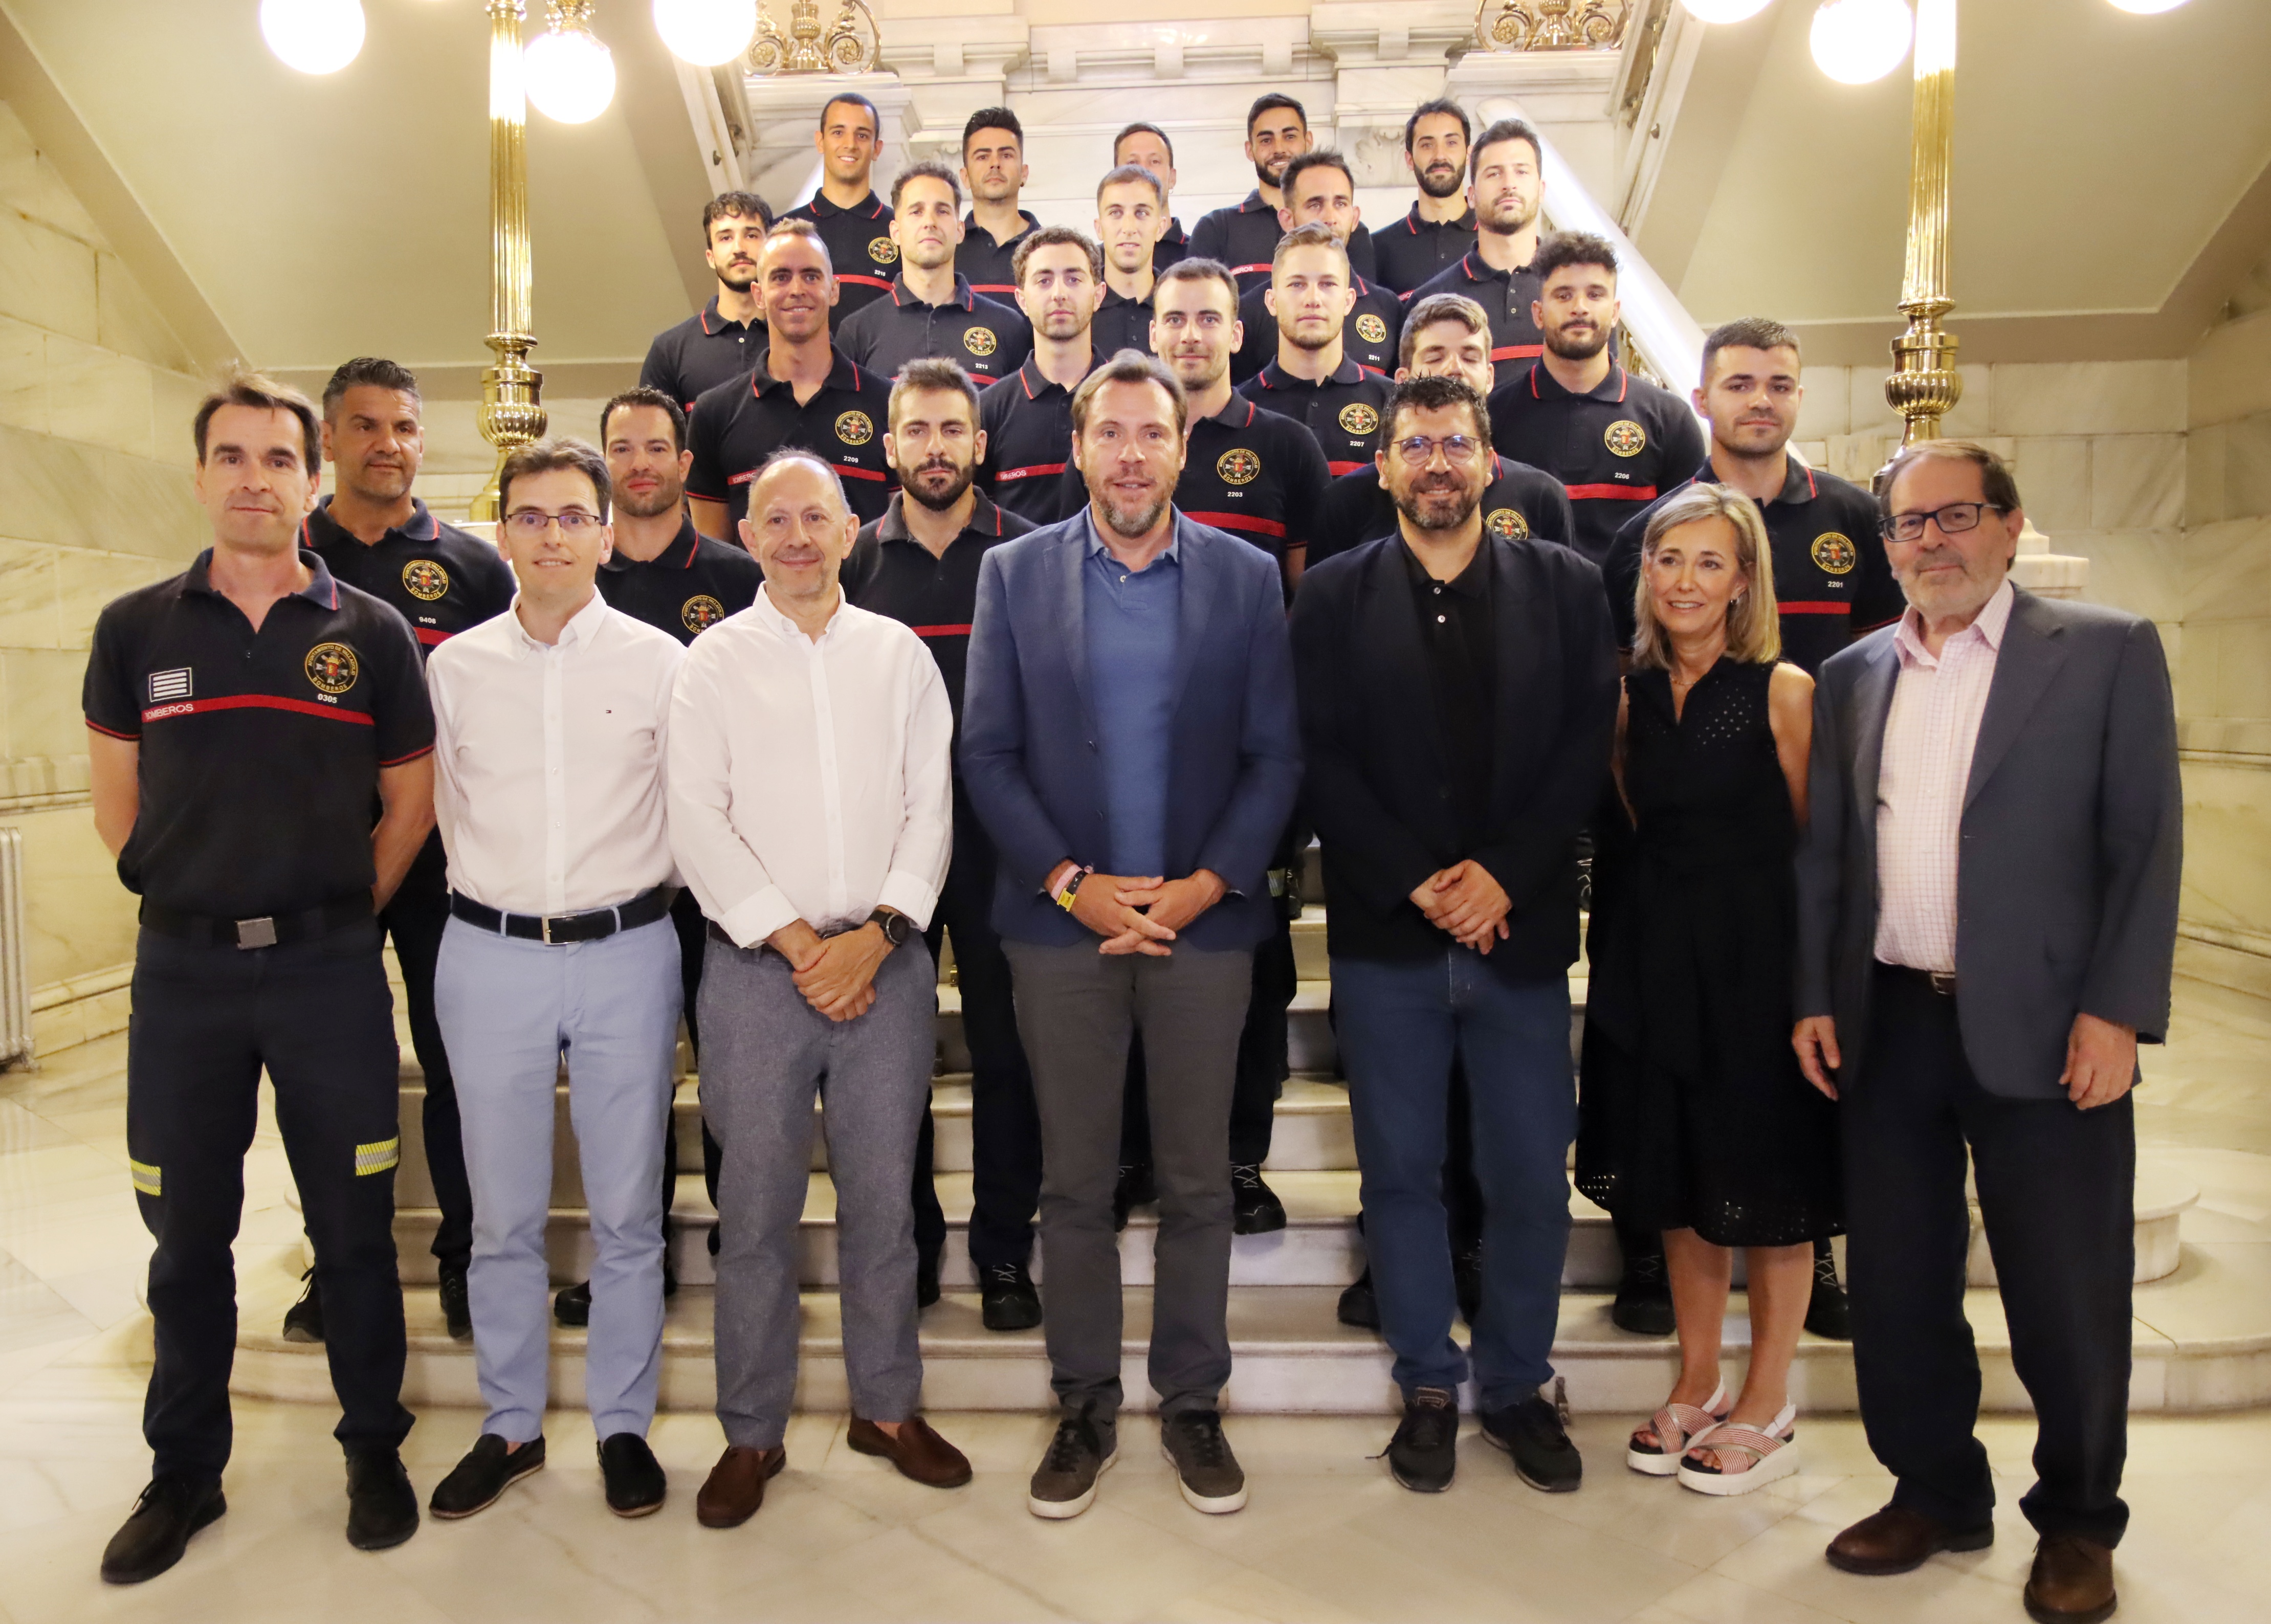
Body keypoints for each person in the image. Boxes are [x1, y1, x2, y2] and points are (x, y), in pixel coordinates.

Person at [1794, 441, 2179, 1624]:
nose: (1930, 541)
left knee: (2066, 1289)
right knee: (1896, 1281)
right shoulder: (1853, 672)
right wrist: (1815, 994)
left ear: (2010, 525)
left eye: (1954, 515)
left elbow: (2143, 844)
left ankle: (2077, 1520)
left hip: (2051, 1022)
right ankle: (1934, 1490)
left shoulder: (2104, 650)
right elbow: (1827, 856)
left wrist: (2117, 1010)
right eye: (1907, 524)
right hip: (1889, 1019)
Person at [86, 371, 431, 1583]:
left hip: (328, 970)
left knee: (353, 1229)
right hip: (183, 977)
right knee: (186, 1236)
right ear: (200, 476)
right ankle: (184, 1469)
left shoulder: (370, 633)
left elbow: (408, 804)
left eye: (277, 459)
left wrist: (329, 912)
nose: (252, 479)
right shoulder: (136, 630)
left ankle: (374, 1445)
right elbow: (119, 808)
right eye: (230, 456)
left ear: (311, 479)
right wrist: (198, 890)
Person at [961, 352, 1302, 1522]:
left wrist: (1205, 887)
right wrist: (1073, 886)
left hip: (1203, 931)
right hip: (1063, 932)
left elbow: (1275, 755)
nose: (1129, 455)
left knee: (1199, 1179)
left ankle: (1192, 1397)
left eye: (1151, 433)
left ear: (1182, 448)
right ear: (1076, 447)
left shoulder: (1246, 577)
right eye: (1108, 433)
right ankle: (1085, 1401)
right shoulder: (1013, 574)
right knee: (1073, 1182)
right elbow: (986, 754)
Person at [1290, 373, 1617, 1498]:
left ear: (1489, 464)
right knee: (1399, 1176)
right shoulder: (1330, 595)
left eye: (1454, 444)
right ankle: (1428, 1380)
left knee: (1527, 1178)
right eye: (1415, 445)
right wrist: (1419, 882)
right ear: (1383, 466)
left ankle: (1516, 1381)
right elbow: (1319, 756)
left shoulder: (1566, 586)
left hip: (1516, 939)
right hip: (1388, 939)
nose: (1435, 463)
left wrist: (1501, 876)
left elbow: (1583, 746)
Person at [671, 450, 971, 1528]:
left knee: (883, 1205)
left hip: (883, 967)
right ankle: (752, 1430)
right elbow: (696, 820)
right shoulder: (710, 664)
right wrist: (804, 946)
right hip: (759, 974)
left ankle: (884, 1409)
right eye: (775, 520)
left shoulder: (898, 657)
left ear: (851, 532)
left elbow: (930, 807)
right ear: (748, 537)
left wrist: (877, 937)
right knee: (753, 1215)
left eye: (816, 518)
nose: (796, 537)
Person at [422, 438, 685, 1522]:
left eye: (574, 516)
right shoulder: (455, 669)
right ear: (502, 536)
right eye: (530, 517)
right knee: (502, 1214)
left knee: (627, 1212)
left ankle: (623, 1424)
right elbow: (438, 807)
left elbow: (692, 808)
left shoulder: (663, 663)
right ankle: (509, 1424)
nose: (552, 536)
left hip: (627, 949)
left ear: (606, 535)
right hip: (490, 956)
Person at [1575, 484, 1837, 1497]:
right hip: (1653, 966)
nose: (1683, 580)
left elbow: (1819, 855)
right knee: (1676, 1185)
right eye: (1667, 559)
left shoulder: (1782, 691)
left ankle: (1766, 1399)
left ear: (1741, 582)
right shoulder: (1623, 696)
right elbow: (1631, 834)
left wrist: (1815, 993)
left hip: (1758, 976)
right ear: (1644, 572)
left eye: (1707, 562)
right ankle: (1697, 1379)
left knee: (1770, 1189)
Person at [1107, 256, 1331, 1238]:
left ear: (1237, 333)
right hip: (1127, 767)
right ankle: (1133, 1155)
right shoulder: (1116, 443)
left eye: (1207, 318)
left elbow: (1303, 608)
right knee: (1125, 966)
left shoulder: (1284, 445)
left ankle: (1238, 1158)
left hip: (1246, 765)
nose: (1189, 334)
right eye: (1173, 319)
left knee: (1251, 969)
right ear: (1150, 331)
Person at [297, 357, 515, 1349]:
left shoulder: (473, 568)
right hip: (316, 867)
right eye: (366, 425)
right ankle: (337, 1263)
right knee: (330, 1077)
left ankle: (465, 1256)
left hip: (440, 867)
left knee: (455, 1063)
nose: (388, 444)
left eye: (405, 428)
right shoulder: (290, 553)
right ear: (330, 439)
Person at [547, 388, 763, 1331]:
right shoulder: (576, 582)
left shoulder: (739, 575)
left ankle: (740, 1242)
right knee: (625, 1084)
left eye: (655, 448)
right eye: (620, 449)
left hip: (724, 877)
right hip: (621, 874)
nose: (638, 463)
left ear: (684, 464)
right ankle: (632, 1256)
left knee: (731, 1076)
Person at [842, 359, 1044, 1330]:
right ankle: (909, 1246)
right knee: (892, 1064)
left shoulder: (1030, 553)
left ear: (979, 443)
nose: (935, 448)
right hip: (883, 850)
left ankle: (1003, 1251)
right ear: (889, 447)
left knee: (1009, 1054)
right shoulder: (850, 562)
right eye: (916, 430)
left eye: (951, 429)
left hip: (1003, 846)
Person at [1606, 318, 1904, 677]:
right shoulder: (1646, 535)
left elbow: (1881, 664)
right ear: (1702, 401)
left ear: (1798, 398)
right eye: (1739, 386)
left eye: (1779, 387)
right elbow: (1625, 673)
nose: (1761, 401)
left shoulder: (1859, 518)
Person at [1487, 231, 1706, 573]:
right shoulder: (1493, 416)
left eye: (1595, 294)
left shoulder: (1669, 419)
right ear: (1538, 313)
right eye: (1563, 295)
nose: (1580, 307)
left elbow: (1692, 537)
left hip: (1632, 608)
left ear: (1615, 312)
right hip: (1528, 603)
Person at [1312, 294, 1574, 569]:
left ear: (1489, 378)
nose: (1454, 369)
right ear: (1402, 380)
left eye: (1470, 358)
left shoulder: (1542, 498)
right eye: (1436, 357)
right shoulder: (1346, 503)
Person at [686, 219, 892, 541]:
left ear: (834, 290)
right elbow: (714, 555)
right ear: (759, 294)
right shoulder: (714, 413)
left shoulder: (888, 404)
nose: (797, 290)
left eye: (811, 276)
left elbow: (899, 541)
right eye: (781, 277)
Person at [834, 161, 1031, 388]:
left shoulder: (1009, 328)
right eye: (916, 212)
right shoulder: (857, 332)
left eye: (942, 211)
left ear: (960, 231)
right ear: (895, 232)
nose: (930, 222)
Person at [1228, 150, 1402, 385]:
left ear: (1354, 218)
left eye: (1340, 203)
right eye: (1315, 204)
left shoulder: (1388, 308)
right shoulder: (1250, 311)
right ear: (1287, 219)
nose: (1330, 217)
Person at [1235, 223, 1394, 477]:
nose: (1313, 299)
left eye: (1328, 284)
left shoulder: (1394, 403)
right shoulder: (1240, 407)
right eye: (1297, 285)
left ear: (1349, 301)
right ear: (1272, 302)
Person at [1408, 118, 1548, 390]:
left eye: (1521, 172)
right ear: (1471, 196)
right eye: (1494, 174)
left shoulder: (1571, 293)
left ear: (1541, 190)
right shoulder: (1429, 301)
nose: (1509, 184)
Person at [1189, 95, 1376, 296]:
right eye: (1266, 140)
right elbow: (1198, 303)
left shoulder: (1347, 230)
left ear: (1308, 141)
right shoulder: (1216, 228)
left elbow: (1364, 302)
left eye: (1290, 137)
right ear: (1250, 150)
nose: (1278, 149)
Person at [978, 226, 1104, 524]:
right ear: (1022, 300)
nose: (1059, 294)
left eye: (1074, 279)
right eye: (1044, 281)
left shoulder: (1129, 400)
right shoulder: (988, 409)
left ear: (1098, 295)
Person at [640, 191, 775, 413]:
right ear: (710, 258)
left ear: (771, 249)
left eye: (751, 235)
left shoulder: (800, 337)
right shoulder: (669, 351)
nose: (739, 248)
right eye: (725, 238)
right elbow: (651, 432)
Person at [781, 92, 896, 319]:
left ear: (877, 148)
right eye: (838, 133)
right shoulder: (784, 232)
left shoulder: (900, 231)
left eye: (862, 135)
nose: (850, 144)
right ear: (820, 141)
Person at [1371, 100, 1478, 296]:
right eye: (1427, 145)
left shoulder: (1493, 240)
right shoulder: (1377, 249)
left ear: (1468, 155)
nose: (1440, 156)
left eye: (1451, 143)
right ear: (1410, 159)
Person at [958, 106, 1041, 298]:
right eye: (983, 157)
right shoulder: (947, 249)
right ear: (965, 177)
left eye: (1006, 155)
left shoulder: (1049, 249)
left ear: (1024, 173)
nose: (995, 163)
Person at [1093, 164, 1167, 358]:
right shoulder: (1079, 309)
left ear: (1160, 228)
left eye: (1141, 213)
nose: (1129, 228)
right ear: (1099, 228)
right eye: (1115, 213)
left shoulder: (1179, 307)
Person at [1112, 121, 1189, 272]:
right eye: (1133, 163)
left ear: (1172, 178)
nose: (1144, 171)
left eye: (1155, 161)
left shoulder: (1197, 254)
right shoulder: (1094, 263)